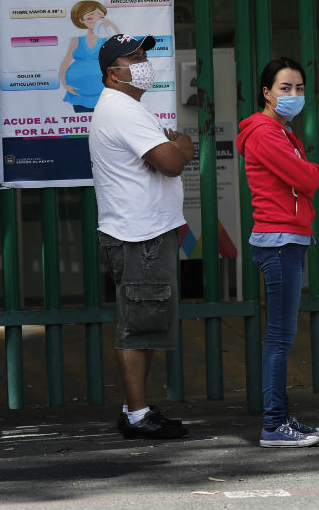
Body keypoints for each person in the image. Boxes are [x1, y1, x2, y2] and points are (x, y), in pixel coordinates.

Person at [90, 34, 194, 439]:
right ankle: (136, 414)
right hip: (139, 235)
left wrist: (172, 148)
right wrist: (182, 143)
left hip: (145, 231)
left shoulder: (128, 107)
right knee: (137, 325)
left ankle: (138, 407)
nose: (144, 61)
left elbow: (163, 158)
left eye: (144, 54)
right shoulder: (121, 109)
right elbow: (169, 161)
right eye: (134, 57)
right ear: (113, 73)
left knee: (147, 321)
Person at [237, 57, 319, 447]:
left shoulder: (279, 130)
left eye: (299, 88)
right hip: (279, 239)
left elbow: (303, 177)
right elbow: (308, 177)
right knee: (279, 337)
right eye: (285, 88)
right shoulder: (264, 132)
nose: (293, 95)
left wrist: (307, 174)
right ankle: (273, 425)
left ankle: (281, 418)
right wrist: (311, 173)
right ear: (266, 92)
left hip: (287, 237)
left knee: (281, 335)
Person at [60, 0, 119, 112]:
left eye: (100, 17)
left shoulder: (107, 40)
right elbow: (64, 65)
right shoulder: (76, 41)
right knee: (81, 122)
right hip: (78, 93)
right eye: (90, 18)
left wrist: (112, 25)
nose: (95, 21)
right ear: (81, 20)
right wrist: (65, 85)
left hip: (102, 92)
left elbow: (121, 45)